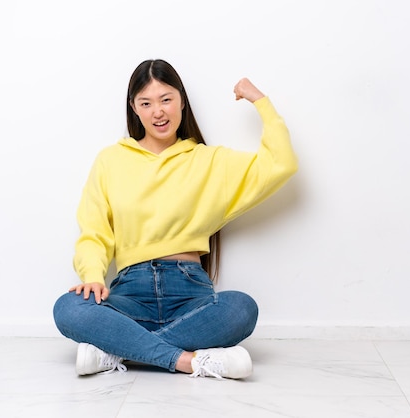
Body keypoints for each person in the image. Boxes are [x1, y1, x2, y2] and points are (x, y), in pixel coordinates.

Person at [53, 59, 298, 379]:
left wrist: (260, 102)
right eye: (146, 103)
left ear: (182, 100)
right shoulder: (110, 160)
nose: (158, 111)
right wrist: (93, 276)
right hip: (129, 296)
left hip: (190, 296)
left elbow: (281, 165)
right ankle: (190, 361)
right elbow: (94, 230)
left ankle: (117, 350)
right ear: (134, 109)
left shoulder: (210, 162)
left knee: (241, 308)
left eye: (166, 99)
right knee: (68, 308)